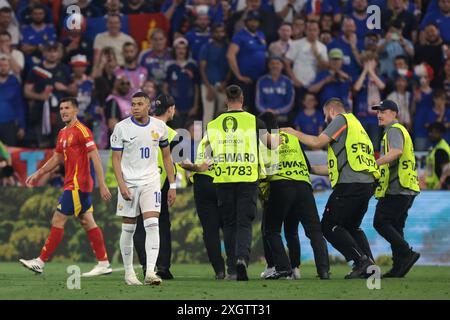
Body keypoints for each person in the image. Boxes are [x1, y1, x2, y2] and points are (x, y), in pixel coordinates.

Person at [282, 98, 379, 279]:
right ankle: (371, 268)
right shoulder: (357, 127)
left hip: (350, 184)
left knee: (329, 225)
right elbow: (333, 167)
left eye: (325, 115)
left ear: (332, 111)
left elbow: (317, 142)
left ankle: (361, 261)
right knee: (351, 227)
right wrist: (310, 168)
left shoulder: (340, 120)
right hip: (365, 183)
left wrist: (293, 132)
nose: (325, 120)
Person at [19, 97, 112, 276]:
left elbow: (95, 157)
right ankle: (103, 262)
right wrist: (39, 173)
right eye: (61, 108)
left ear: (76, 110)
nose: (63, 111)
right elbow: (57, 158)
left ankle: (40, 261)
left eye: (67, 108)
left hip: (78, 184)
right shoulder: (62, 132)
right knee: (87, 221)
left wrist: (102, 184)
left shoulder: (82, 131)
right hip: (72, 183)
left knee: (58, 219)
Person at [206, 84, 280, 281]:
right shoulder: (255, 122)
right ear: (242, 99)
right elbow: (271, 145)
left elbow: (208, 153)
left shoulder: (213, 124)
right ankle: (241, 260)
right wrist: (281, 136)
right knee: (244, 223)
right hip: (247, 178)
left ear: (225, 101)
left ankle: (231, 268)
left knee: (229, 224)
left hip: (223, 178)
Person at [110, 92, 176, 285]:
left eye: (139, 104)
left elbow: (166, 157)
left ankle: (150, 273)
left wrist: (172, 185)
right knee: (129, 228)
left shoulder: (159, 127)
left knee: (153, 225)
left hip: (151, 182)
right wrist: (121, 184)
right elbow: (116, 159)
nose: (135, 107)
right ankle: (129, 273)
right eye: (133, 104)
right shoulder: (121, 128)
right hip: (129, 183)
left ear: (149, 106)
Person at [258, 111, 330, 280]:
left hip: (281, 184)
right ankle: (323, 270)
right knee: (312, 231)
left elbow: (263, 169)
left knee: (271, 230)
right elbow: (306, 164)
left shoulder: (264, 140)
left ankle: (283, 267)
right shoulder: (293, 137)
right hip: (303, 185)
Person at [372, 99, 421, 278]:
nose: (379, 114)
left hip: (398, 186)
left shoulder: (394, 129)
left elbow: (396, 152)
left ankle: (407, 253)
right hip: (407, 186)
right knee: (396, 226)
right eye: (378, 111)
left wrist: (374, 163)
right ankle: (399, 266)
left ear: (394, 113)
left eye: (383, 111)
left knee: (380, 222)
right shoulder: (397, 131)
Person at [133, 94, 179, 280]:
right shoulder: (173, 134)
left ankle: (146, 266)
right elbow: (180, 161)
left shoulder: (141, 128)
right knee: (161, 225)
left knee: (140, 226)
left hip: (138, 180)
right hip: (162, 182)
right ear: (171, 109)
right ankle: (162, 267)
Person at [179, 136, 226, 279]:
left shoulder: (203, 140)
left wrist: (192, 167)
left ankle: (219, 270)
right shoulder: (230, 139)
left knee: (210, 231)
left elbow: (193, 163)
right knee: (230, 227)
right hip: (224, 182)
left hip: (203, 182)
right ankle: (234, 267)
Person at [226, 10, 267, 113]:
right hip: (245, 80)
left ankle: (257, 129)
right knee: (244, 108)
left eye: (256, 21)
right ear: (246, 22)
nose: (253, 23)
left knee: (257, 108)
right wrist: (239, 75)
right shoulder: (239, 36)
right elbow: (230, 55)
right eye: (251, 21)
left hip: (259, 79)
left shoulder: (261, 35)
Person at [199, 23, 230, 130]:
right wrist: (208, 87)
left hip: (222, 85)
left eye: (221, 31)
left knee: (223, 113)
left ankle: (220, 138)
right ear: (212, 34)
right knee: (208, 114)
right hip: (208, 84)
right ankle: (205, 142)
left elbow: (230, 67)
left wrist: (225, 82)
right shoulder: (206, 47)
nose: (219, 34)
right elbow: (202, 68)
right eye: (217, 32)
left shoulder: (227, 47)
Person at [255, 55, 294, 125]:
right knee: (262, 134)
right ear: (268, 66)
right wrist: (266, 111)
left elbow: (290, 102)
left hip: (281, 115)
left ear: (282, 66)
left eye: (277, 63)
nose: (275, 66)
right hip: (265, 114)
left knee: (277, 134)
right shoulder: (261, 81)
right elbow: (258, 101)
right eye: (272, 63)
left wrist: (277, 111)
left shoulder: (288, 81)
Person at [0, 57, 25, 147]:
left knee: (10, 153)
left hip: (9, 124)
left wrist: (22, 126)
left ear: (9, 67)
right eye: (0, 65)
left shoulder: (14, 82)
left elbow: (19, 106)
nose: (3, 68)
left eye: (5, 65)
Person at [425, 122, 450, 190]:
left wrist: (440, 184)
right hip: (433, 187)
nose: (431, 134)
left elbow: (446, 171)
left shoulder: (441, 150)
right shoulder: (435, 148)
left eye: (434, 132)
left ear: (441, 134)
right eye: (430, 132)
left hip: (440, 188)